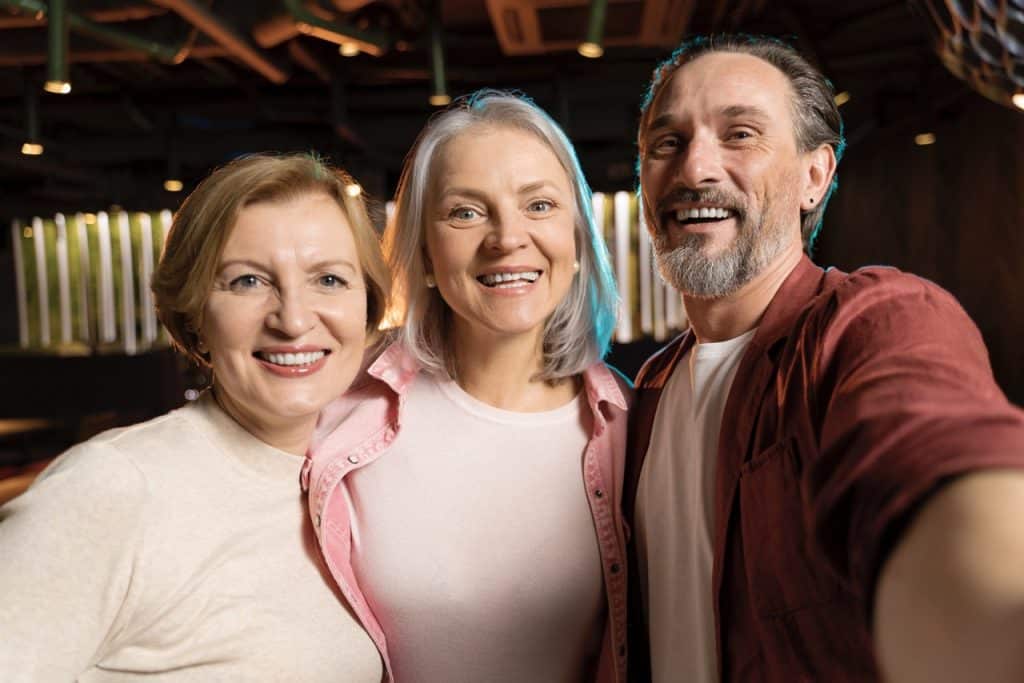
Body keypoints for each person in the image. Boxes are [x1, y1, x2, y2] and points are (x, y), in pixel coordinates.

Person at [626, 34, 1024, 683]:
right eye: (666, 143)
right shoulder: (649, 388)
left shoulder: (876, 319)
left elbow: (936, 457)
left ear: (815, 176)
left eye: (740, 134)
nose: (694, 168)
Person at [0, 153, 390, 681]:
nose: (294, 319)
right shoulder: (111, 490)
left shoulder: (357, 483)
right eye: (248, 281)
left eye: (329, 280)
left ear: (367, 307)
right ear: (195, 318)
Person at [301, 90, 631, 683]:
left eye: (539, 205)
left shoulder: (632, 428)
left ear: (577, 240)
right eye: (466, 212)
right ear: (425, 254)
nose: (507, 238)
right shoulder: (336, 408)